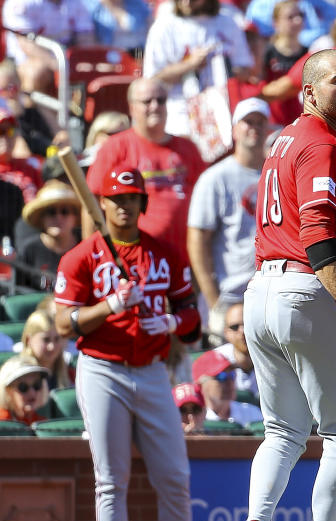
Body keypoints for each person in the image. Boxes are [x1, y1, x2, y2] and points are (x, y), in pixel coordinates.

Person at [231, 49, 336, 521]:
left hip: (261, 289)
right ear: (309, 93)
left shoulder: (285, 140)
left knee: (282, 431)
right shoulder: (319, 143)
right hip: (301, 287)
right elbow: (317, 234)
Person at [53, 167, 201, 521]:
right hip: (101, 368)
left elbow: (191, 314)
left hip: (154, 369)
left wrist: (172, 320)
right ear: (102, 203)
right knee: (110, 479)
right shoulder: (82, 256)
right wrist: (109, 306)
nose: (124, 205)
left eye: (132, 197)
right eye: (116, 198)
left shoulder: (164, 252)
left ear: (142, 203)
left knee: (175, 476)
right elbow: (64, 322)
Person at [85, 78, 206, 259]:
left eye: (161, 100)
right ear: (132, 107)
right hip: (134, 259)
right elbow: (91, 202)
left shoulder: (188, 148)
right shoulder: (115, 147)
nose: (155, 106)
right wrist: (93, 257)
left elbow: (205, 199)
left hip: (185, 257)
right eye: (147, 101)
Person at [187, 98, 268, 341]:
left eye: (260, 122)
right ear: (234, 129)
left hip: (267, 293)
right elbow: (197, 240)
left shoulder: (276, 172)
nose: (253, 127)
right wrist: (214, 302)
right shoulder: (215, 178)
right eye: (247, 122)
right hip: (230, 294)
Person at [142, 0, 255, 138]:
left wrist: (219, 64)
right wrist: (189, 64)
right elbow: (153, 78)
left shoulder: (227, 22)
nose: (187, 2)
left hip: (222, 111)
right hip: (181, 112)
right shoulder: (165, 25)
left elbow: (245, 70)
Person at [18, 180, 81, 291]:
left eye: (65, 211)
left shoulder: (85, 246)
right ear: (42, 219)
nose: (58, 217)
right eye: (51, 212)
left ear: (75, 218)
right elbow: (21, 295)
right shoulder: (30, 250)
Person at [192, 349, 262, 426]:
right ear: (201, 385)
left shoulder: (251, 412)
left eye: (232, 375)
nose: (229, 382)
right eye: (221, 377)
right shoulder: (193, 418)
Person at [214, 302, 259, 398]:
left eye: (247, 324)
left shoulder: (275, 356)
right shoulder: (215, 359)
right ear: (226, 333)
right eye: (235, 327)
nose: (242, 331)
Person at [21, 309, 72, 389]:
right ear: (28, 340)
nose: (52, 346)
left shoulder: (71, 373)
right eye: (46, 339)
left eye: (57, 339)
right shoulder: (19, 377)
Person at [0, 355, 50, 425]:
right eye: (23, 387)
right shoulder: (2, 422)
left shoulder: (42, 423)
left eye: (37, 385)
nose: (32, 392)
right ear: (7, 391)